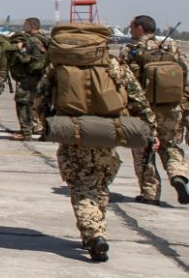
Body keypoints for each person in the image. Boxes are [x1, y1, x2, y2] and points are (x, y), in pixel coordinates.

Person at [32, 39, 157, 261]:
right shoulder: (114, 65)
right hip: (109, 132)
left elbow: (40, 101)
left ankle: (94, 234)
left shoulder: (59, 67)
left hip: (74, 132)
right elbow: (138, 100)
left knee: (82, 186)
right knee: (100, 183)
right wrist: (150, 131)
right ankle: (96, 230)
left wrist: (52, 126)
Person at [120, 15, 189, 205]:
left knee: (143, 150)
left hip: (142, 109)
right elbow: (186, 77)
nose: (131, 30)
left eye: (132, 27)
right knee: (170, 146)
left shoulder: (130, 51)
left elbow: (121, 81)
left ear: (140, 28)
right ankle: (178, 175)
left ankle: (150, 193)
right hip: (171, 108)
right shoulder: (172, 48)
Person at [10, 17, 49, 140]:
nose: (23, 26)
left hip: (30, 77)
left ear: (32, 26)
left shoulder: (32, 41)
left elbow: (32, 60)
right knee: (39, 104)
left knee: (22, 102)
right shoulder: (44, 39)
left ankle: (25, 131)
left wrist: (19, 52)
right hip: (41, 76)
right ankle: (46, 132)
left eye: (25, 24)